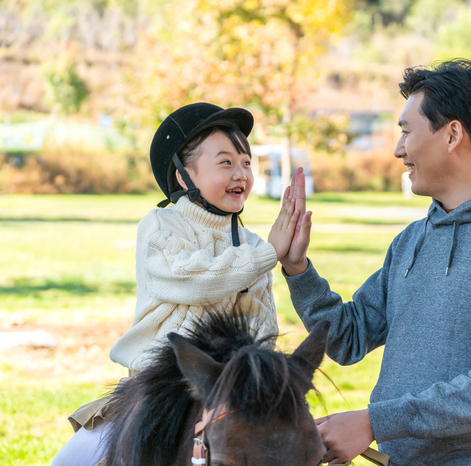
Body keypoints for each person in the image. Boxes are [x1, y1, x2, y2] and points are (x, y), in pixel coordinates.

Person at [281, 59, 471, 465]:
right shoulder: (412, 241)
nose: (398, 149)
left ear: (452, 135)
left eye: (406, 132)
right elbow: (348, 338)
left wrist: (375, 422)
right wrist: (297, 269)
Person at [53, 102, 305, 466]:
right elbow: (192, 280)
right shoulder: (161, 226)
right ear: (183, 177)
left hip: (225, 395)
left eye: (246, 163)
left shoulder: (253, 247)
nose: (241, 174)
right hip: (158, 391)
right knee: (70, 461)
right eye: (225, 162)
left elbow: (261, 327)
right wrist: (268, 254)